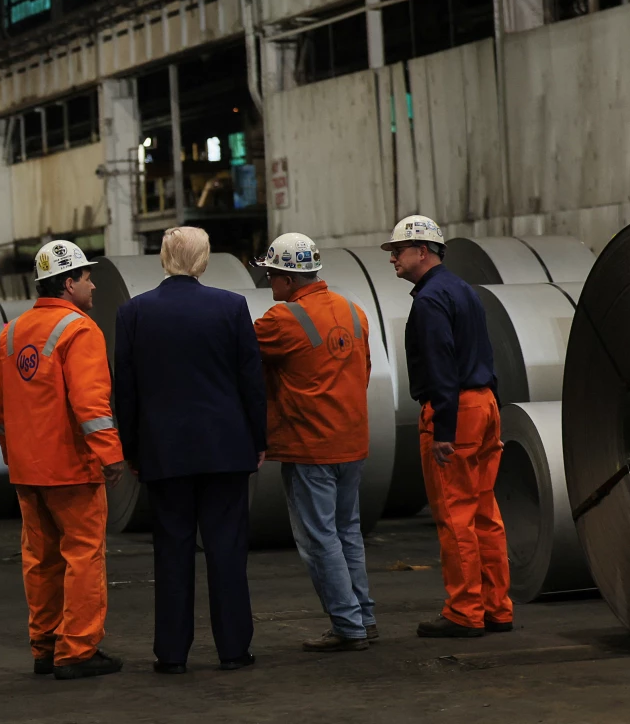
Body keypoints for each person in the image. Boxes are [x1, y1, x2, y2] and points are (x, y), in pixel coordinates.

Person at [113, 226, 264, 674]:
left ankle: (172, 654)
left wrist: (131, 449)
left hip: (164, 451)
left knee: (171, 552)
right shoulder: (231, 307)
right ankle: (233, 650)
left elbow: (126, 390)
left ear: (164, 258)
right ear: (204, 259)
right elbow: (251, 381)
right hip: (225, 448)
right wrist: (258, 440)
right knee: (227, 551)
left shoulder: (133, 312)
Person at [0, 238, 129, 681]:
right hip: (71, 469)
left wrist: (13, 457)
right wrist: (111, 454)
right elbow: (91, 404)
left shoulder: (12, 333)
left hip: (27, 470)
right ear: (68, 283)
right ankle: (78, 650)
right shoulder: (80, 330)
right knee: (83, 556)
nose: (93, 285)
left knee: (41, 560)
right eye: (87, 277)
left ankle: (46, 646)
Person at [383, 215, 513, 638]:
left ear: (422, 251)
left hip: (455, 410)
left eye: (398, 251)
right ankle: (496, 607)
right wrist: (489, 409)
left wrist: (443, 429)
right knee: (484, 513)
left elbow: (440, 364)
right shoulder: (463, 290)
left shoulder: (429, 300)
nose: (393, 259)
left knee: (456, 515)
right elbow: (483, 352)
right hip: (484, 404)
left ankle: (464, 611)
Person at [252, 232, 377, 652]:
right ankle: (364, 618)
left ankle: (348, 626)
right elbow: (363, 371)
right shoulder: (355, 311)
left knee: (319, 539)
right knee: (347, 532)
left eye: (271, 275)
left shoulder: (281, 319)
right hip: (352, 442)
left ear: (288, 279)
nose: (269, 283)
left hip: (311, 447)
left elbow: (238, 353)